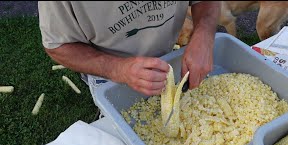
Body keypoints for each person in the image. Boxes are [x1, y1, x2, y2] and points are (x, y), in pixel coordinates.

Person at [38, 1, 220, 101]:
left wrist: (204, 35)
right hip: (109, 72)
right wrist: (118, 69)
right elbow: (59, 46)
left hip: (168, 53)